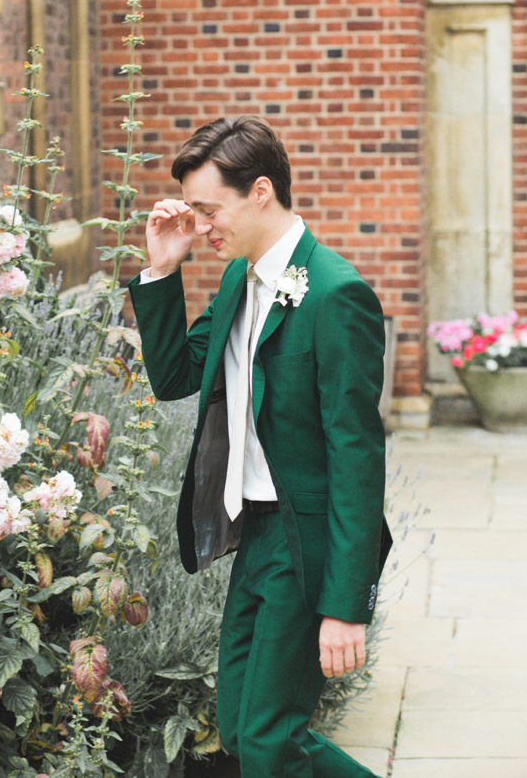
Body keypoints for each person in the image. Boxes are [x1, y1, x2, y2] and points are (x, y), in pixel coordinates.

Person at [129, 115, 392, 778]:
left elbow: (358, 458)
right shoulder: (238, 280)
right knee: (248, 736)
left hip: (306, 547)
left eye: (209, 209)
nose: (201, 224)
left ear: (262, 192)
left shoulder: (335, 294)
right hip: (257, 537)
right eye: (193, 209)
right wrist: (163, 268)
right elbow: (176, 377)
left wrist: (345, 606)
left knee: (270, 737)